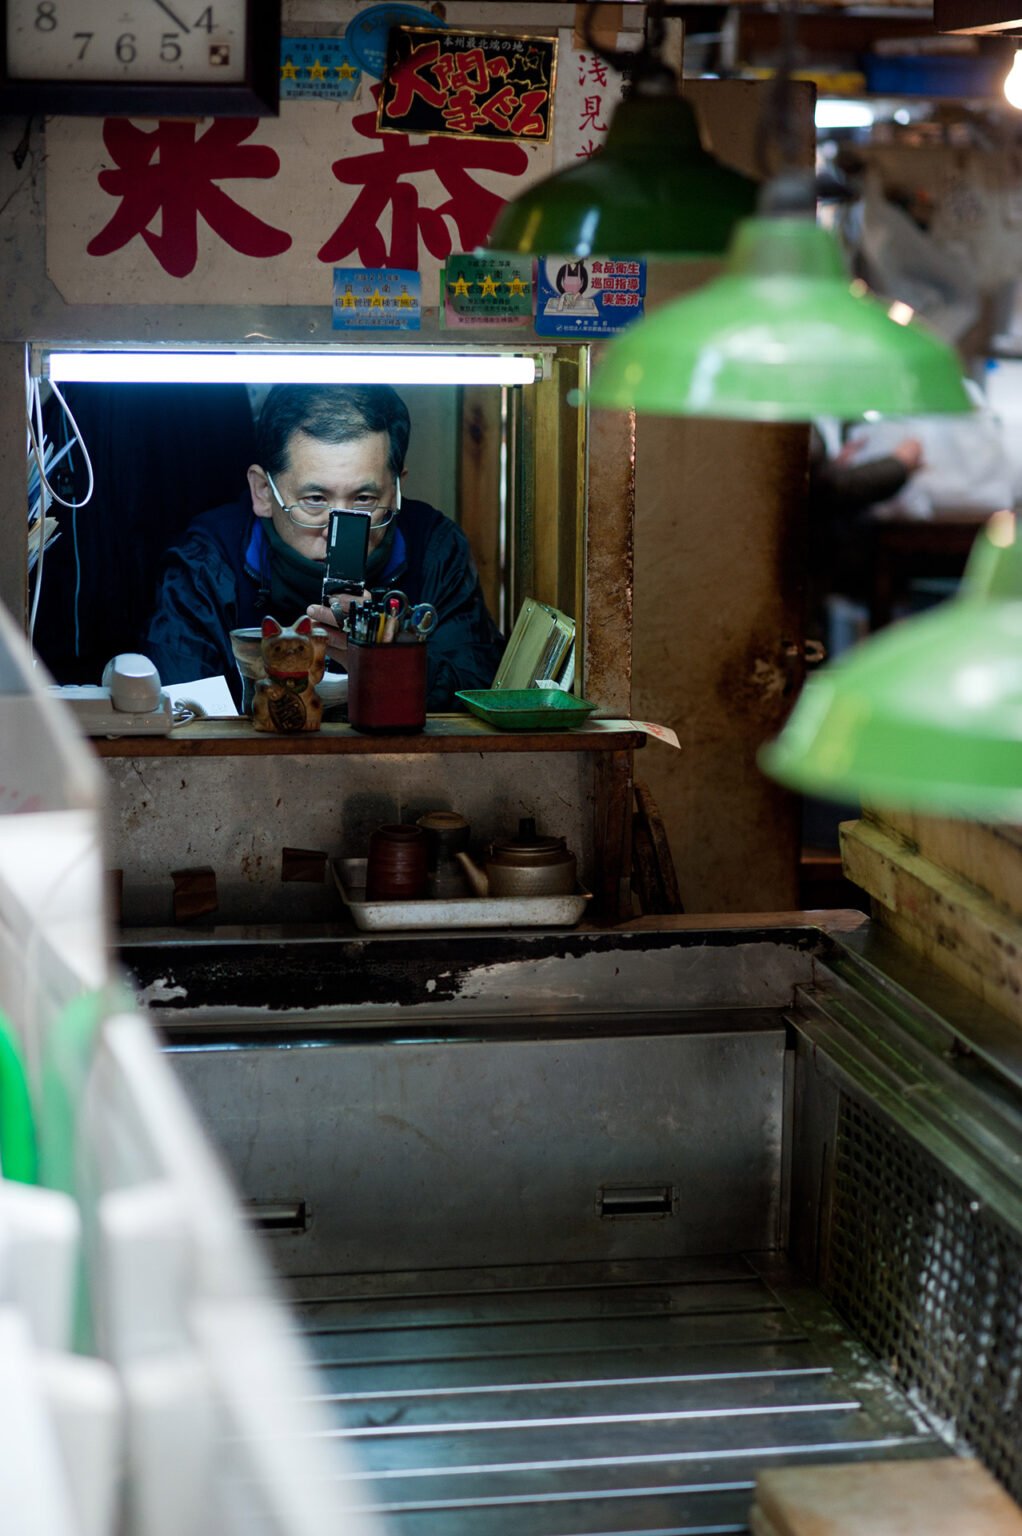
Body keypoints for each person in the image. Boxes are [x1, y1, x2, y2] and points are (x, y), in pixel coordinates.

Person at [142, 384, 505, 711]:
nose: (338, 531)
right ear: (263, 492)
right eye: (315, 499)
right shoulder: (208, 562)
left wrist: (391, 664)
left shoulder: (432, 549)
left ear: (395, 491)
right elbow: (177, 708)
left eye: (364, 499)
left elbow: (479, 693)